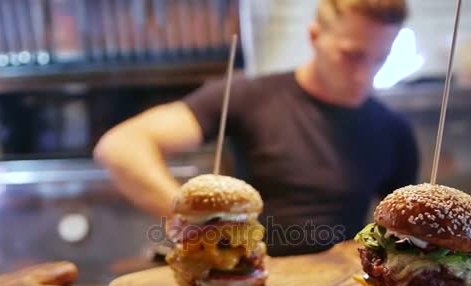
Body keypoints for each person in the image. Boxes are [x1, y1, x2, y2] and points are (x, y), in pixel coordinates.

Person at [94, 0, 419, 256]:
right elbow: (121, 145)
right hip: (246, 277)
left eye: (380, 59)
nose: (365, 76)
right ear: (315, 36)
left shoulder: (394, 130)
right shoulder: (248, 96)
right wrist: (191, 218)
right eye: (352, 56)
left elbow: (403, 235)